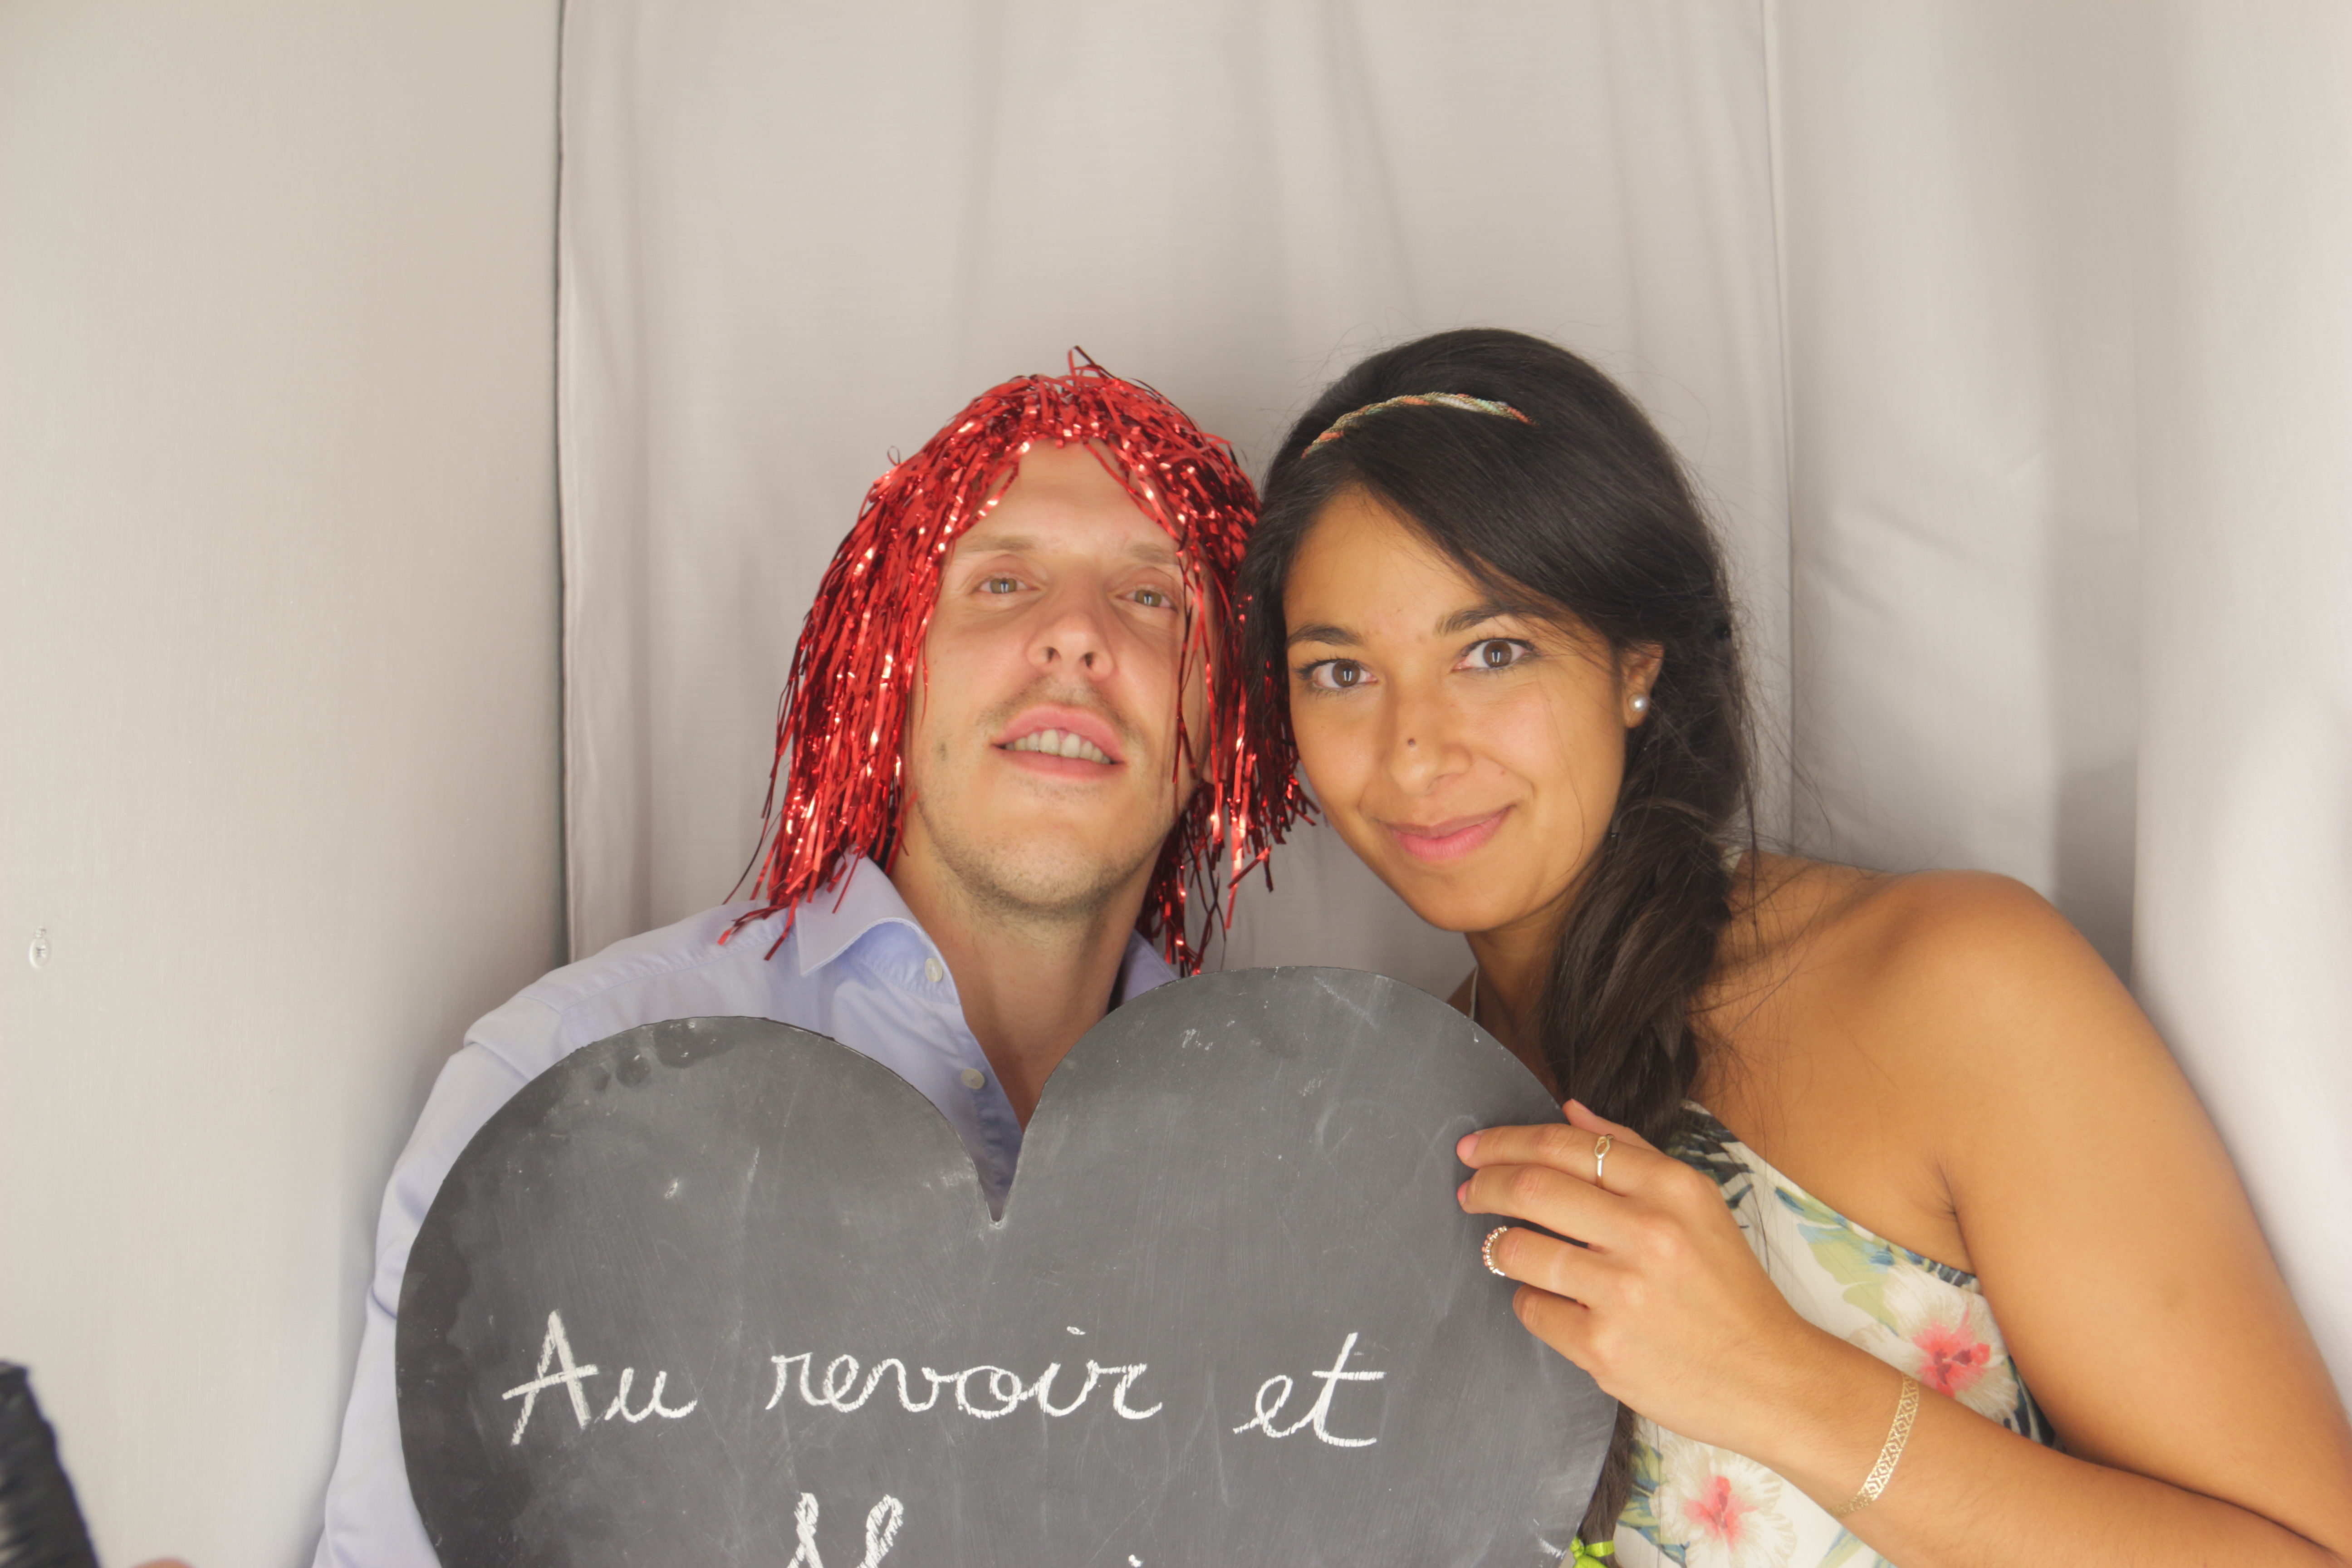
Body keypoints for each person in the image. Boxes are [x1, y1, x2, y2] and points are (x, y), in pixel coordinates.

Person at [1240, 328, 2352, 1566]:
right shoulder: (1373, 1124)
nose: (1413, 750)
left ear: (1636, 666)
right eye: (1340, 671)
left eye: (1492, 651)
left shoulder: (1955, 989)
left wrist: (1775, 1382)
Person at [311, 360, 1299, 1566]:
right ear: (891, 663)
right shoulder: (567, 1089)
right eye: (1003, 581)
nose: (1078, 637)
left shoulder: (1301, 1166)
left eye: (1151, 598)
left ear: (1225, 720)